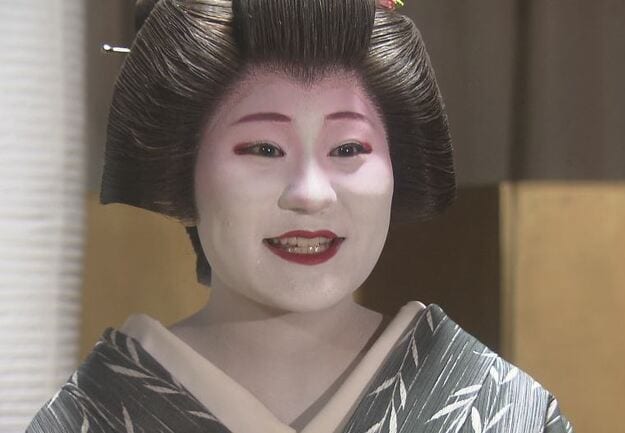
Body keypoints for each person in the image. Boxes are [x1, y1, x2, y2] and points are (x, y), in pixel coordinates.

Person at [28, 0, 574, 432]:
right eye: (264, 149)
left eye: (348, 149)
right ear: (180, 171)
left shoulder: (500, 410)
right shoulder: (94, 415)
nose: (312, 194)